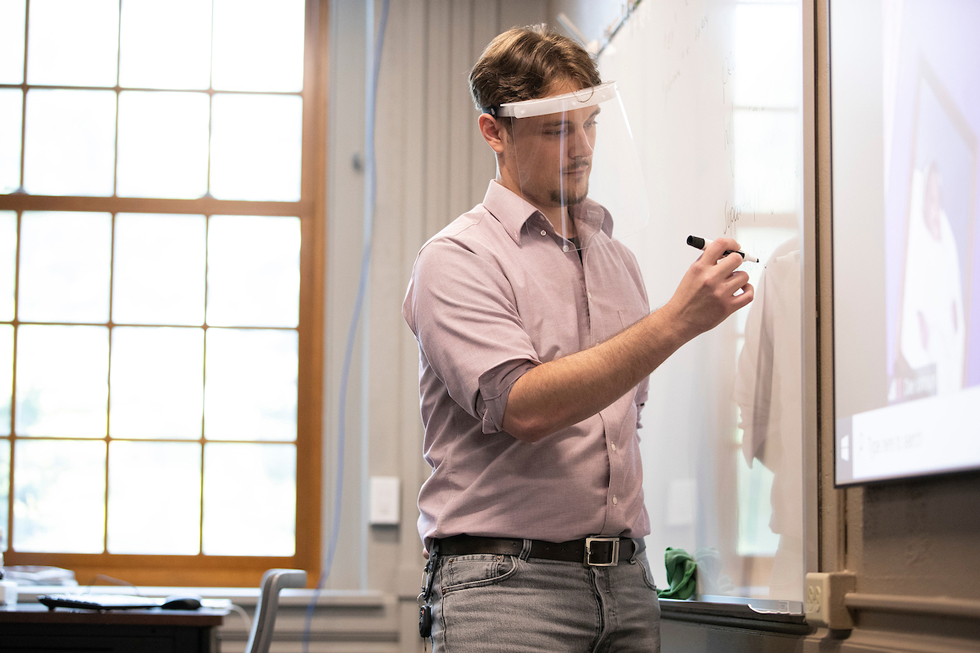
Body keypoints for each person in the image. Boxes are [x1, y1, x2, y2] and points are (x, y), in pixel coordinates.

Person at [402, 25, 753, 652]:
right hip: (505, 593)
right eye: (555, 129)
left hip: (626, 582)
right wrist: (677, 320)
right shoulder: (456, 260)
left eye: (589, 124)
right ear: (495, 133)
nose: (582, 147)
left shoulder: (619, 263)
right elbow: (526, 406)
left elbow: (619, 428)